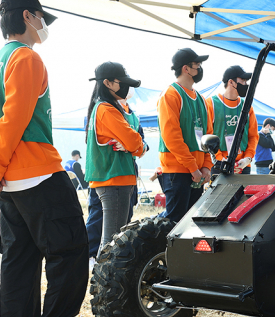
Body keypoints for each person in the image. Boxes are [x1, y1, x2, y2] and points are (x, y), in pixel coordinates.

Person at [0, 0, 91, 317]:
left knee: (20, 257)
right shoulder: (27, 58)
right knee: (70, 248)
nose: (43, 25)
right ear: (28, 16)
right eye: (42, 17)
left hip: (10, 181)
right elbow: (13, 119)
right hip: (37, 171)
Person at [85, 62, 146, 256]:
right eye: (123, 82)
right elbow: (134, 140)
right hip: (115, 179)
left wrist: (136, 145)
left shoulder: (103, 108)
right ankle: (104, 284)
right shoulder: (107, 109)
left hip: (113, 179)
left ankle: (103, 281)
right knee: (113, 241)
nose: (127, 88)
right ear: (108, 83)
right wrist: (137, 145)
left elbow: (135, 143)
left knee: (111, 239)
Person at [157, 48, 213, 221]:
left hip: (196, 171)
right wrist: (193, 167)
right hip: (178, 171)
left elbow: (209, 135)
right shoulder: (171, 94)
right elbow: (172, 137)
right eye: (197, 64)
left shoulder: (202, 99)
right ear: (185, 69)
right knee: (174, 224)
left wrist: (206, 166)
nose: (200, 68)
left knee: (191, 223)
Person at [205, 65, 258, 175]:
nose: (245, 84)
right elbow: (207, 135)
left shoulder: (247, 106)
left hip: (243, 166)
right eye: (242, 80)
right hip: (219, 164)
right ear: (231, 82)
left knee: (243, 192)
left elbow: (253, 136)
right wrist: (220, 159)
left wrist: (248, 158)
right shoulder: (211, 104)